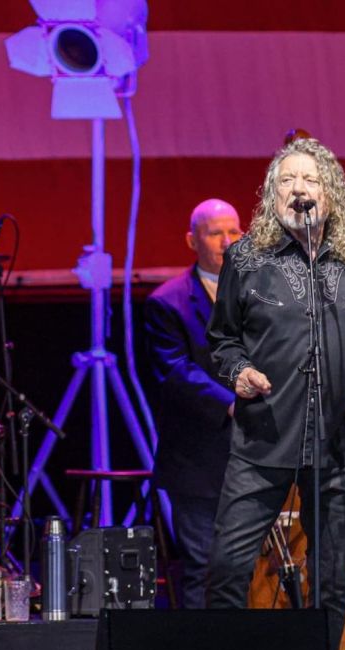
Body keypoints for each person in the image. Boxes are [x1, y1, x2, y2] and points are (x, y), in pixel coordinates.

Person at [205, 138, 345, 650]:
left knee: (332, 578)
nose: (299, 188)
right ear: (273, 194)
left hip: (336, 447)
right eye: (287, 179)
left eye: (311, 179)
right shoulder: (246, 259)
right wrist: (239, 370)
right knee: (227, 567)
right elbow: (222, 340)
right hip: (263, 440)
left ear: (330, 193)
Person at [144, 199, 242, 608]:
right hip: (200, 460)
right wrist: (231, 403)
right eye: (215, 233)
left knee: (255, 565)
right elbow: (176, 373)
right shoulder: (168, 302)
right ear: (192, 240)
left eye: (234, 232)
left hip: (261, 456)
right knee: (204, 565)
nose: (226, 242)